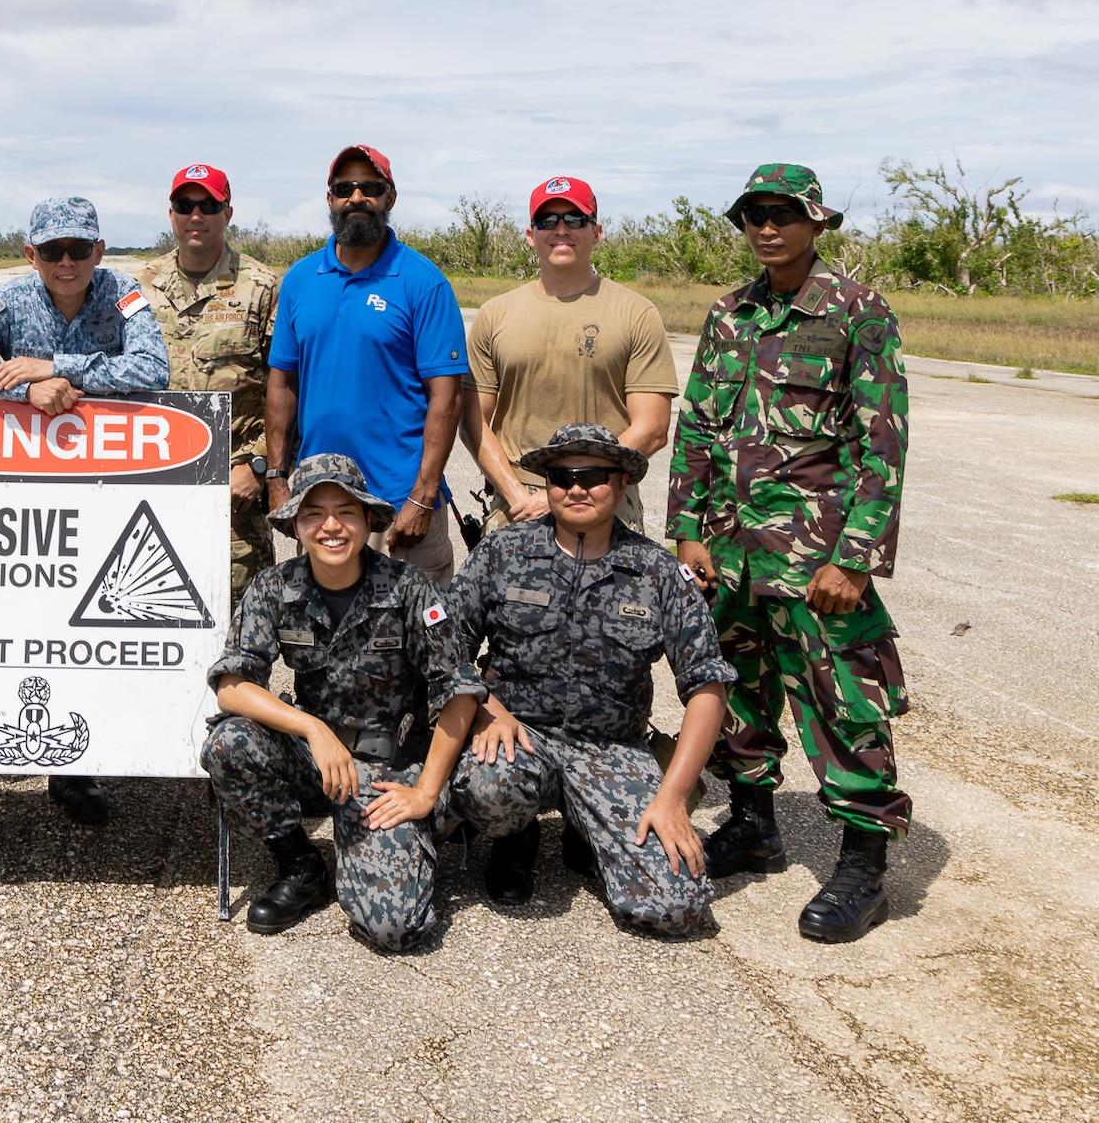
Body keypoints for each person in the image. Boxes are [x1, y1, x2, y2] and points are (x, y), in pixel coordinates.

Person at [669, 164, 910, 944]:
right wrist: (688, 529)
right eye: (754, 215)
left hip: (815, 561)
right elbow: (700, 426)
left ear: (815, 221)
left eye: (782, 214)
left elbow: (883, 442)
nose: (766, 227)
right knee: (738, 690)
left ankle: (865, 865)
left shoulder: (854, 311)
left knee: (843, 702)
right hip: (732, 555)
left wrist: (857, 556)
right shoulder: (729, 312)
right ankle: (753, 823)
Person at [0, 195, 171, 826]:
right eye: (54, 251)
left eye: (80, 250)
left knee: (95, 626)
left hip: (105, 491)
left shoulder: (124, 293)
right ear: (32, 254)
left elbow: (154, 369)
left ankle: (78, 767)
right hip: (25, 497)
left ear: (99, 250)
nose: (68, 263)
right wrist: (20, 385)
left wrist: (58, 366)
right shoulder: (9, 300)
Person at [442, 424, 731, 934]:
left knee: (673, 906)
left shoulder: (657, 572)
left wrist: (673, 798)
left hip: (611, 748)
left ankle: (588, 828)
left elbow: (707, 685)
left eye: (594, 476)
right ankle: (517, 836)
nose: (577, 488)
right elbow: (442, 648)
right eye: (562, 476)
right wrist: (487, 706)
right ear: (547, 484)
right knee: (487, 791)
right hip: (516, 737)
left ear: (621, 484)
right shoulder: (502, 552)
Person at [201, 454, 483, 950]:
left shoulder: (409, 588)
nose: (330, 527)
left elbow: (457, 691)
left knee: (395, 929)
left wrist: (423, 793)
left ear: (367, 519)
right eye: (314, 514)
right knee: (229, 743)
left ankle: (428, 830)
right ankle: (300, 863)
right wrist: (313, 729)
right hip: (318, 758)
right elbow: (232, 685)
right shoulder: (276, 586)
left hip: (387, 768)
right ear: (296, 525)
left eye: (345, 512)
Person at [265, 145, 470, 585]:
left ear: (390, 197)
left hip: (399, 504)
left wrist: (423, 495)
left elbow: (446, 399)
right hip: (321, 503)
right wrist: (277, 477)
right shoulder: (301, 279)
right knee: (326, 637)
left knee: (418, 642)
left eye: (370, 187)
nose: (356, 197)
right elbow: (282, 384)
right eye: (344, 189)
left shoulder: (423, 282)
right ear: (330, 200)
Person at [460, 176, 678, 536]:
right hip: (517, 505)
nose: (561, 229)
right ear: (531, 235)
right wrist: (516, 494)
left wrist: (570, 488)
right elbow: (472, 422)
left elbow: (652, 428)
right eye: (547, 221)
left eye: (575, 220)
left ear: (597, 232)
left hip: (604, 500)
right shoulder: (495, 314)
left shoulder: (636, 313)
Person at [136, 163, 281, 612]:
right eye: (185, 205)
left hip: (233, 489)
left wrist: (259, 467)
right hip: (152, 481)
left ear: (228, 213)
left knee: (239, 622)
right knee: (147, 608)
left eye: (208, 205)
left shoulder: (262, 288)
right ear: (171, 214)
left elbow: (288, 390)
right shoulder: (138, 287)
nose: (196, 215)